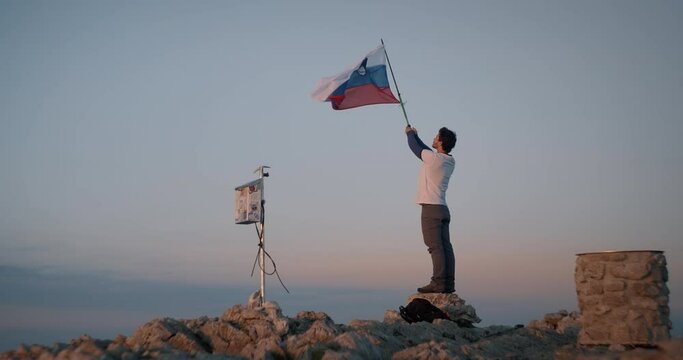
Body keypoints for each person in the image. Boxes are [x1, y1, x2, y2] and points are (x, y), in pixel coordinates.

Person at [405, 125, 457, 293]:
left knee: (435, 247)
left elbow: (415, 148)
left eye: (436, 137)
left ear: (440, 141)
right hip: (442, 208)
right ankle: (448, 284)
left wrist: (410, 134)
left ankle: (438, 282)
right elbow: (424, 149)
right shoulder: (448, 160)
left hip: (431, 209)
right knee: (445, 247)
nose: (433, 138)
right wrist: (415, 135)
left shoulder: (433, 159)